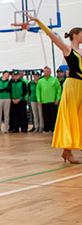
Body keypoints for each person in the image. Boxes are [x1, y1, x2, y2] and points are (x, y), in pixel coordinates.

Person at [16, 18, 81, 163]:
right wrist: (37, 22)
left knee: (79, 118)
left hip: (81, 86)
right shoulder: (67, 49)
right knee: (71, 118)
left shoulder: (81, 51)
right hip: (73, 86)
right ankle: (67, 151)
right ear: (75, 35)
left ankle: (68, 150)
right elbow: (52, 36)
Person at [37, 67, 61, 132]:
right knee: (45, 116)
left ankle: (53, 129)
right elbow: (38, 91)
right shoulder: (40, 81)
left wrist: (57, 99)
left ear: (50, 72)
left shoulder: (55, 80)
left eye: (48, 71)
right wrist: (39, 100)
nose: (46, 73)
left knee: (53, 116)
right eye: (45, 71)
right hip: (44, 101)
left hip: (53, 101)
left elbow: (58, 90)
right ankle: (46, 129)